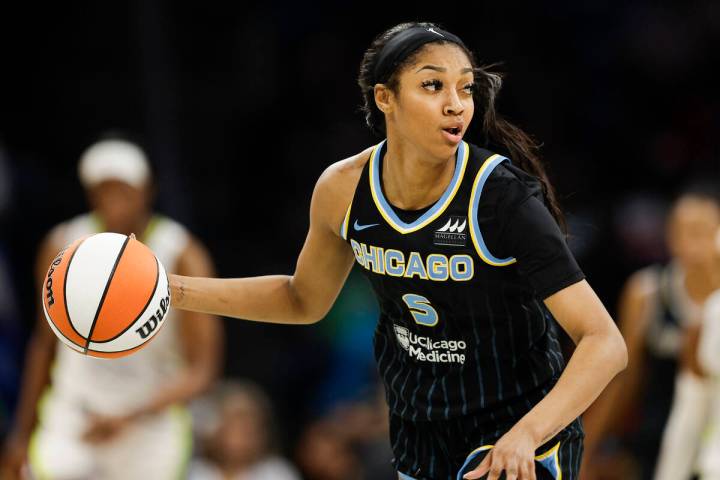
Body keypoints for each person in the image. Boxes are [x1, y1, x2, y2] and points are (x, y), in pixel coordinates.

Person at [168, 22, 627, 480]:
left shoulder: (501, 197)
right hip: (419, 431)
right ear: (385, 97)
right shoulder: (343, 189)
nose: (456, 104)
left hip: (517, 427)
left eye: (465, 88)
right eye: (433, 85)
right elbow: (301, 299)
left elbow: (604, 342)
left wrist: (528, 433)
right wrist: (173, 291)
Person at [1, 137, 222, 480]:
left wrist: (130, 415)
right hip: (75, 416)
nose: (113, 198)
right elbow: (44, 346)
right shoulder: (63, 245)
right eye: (103, 188)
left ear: (147, 189)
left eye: (123, 187)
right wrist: (21, 433)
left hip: (150, 420)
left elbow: (203, 368)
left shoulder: (181, 250)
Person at [580, 188, 720, 480]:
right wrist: (586, 447)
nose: (690, 242)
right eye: (681, 231)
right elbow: (624, 378)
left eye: (700, 231)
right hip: (656, 436)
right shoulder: (648, 292)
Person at [188, 381, 300, 480]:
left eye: (248, 425)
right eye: (233, 422)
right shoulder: (192, 472)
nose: (242, 432)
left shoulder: (277, 473)